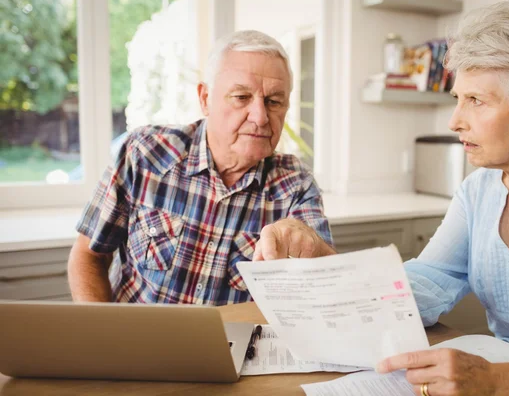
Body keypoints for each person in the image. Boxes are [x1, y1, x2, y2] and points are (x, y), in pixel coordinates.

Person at [252, 2, 509, 395]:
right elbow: (423, 284)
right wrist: (325, 262)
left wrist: (497, 380)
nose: (455, 121)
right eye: (458, 98)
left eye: (476, 101)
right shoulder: (478, 192)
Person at [68, 30, 333, 305]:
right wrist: (100, 338)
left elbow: (328, 283)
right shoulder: (144, 153)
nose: (260, 117)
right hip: (135, 342)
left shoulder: (296, 184)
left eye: (274, 101)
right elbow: (89, 255)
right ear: (205, 98)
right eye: (241, 97)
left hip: (231, 347)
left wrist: (310, 244)